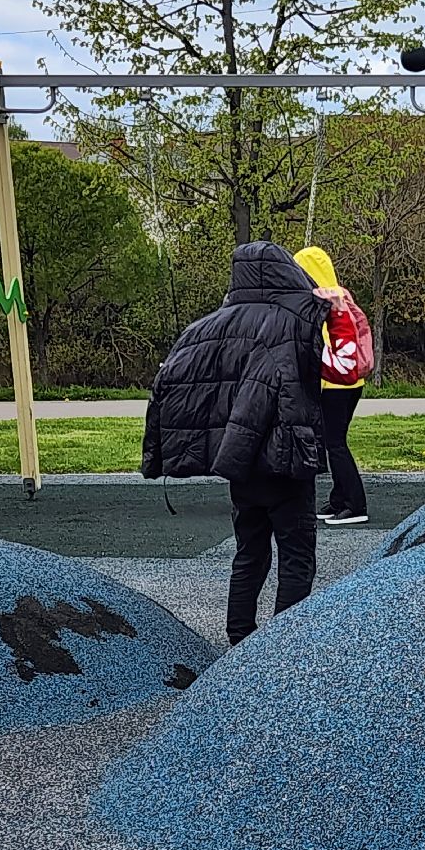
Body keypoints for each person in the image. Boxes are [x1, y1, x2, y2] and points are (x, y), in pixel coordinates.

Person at [142, 242, 327, 646]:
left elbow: (170, 381)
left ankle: (239, 634)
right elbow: (327, 367)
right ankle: (286, 641)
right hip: (285, 457)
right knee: (297, 554)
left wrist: (163, 450)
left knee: (249, 551)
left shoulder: (208, 327)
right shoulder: (294, 320)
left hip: (238, 461)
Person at [294, 246, 368, 527]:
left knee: (334, 444)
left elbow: (320, 348)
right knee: (334, 441)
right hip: (352, 382)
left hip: (334, 384)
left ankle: (354, 503)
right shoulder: (341, 296)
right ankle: (340, 498)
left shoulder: (320, 303)